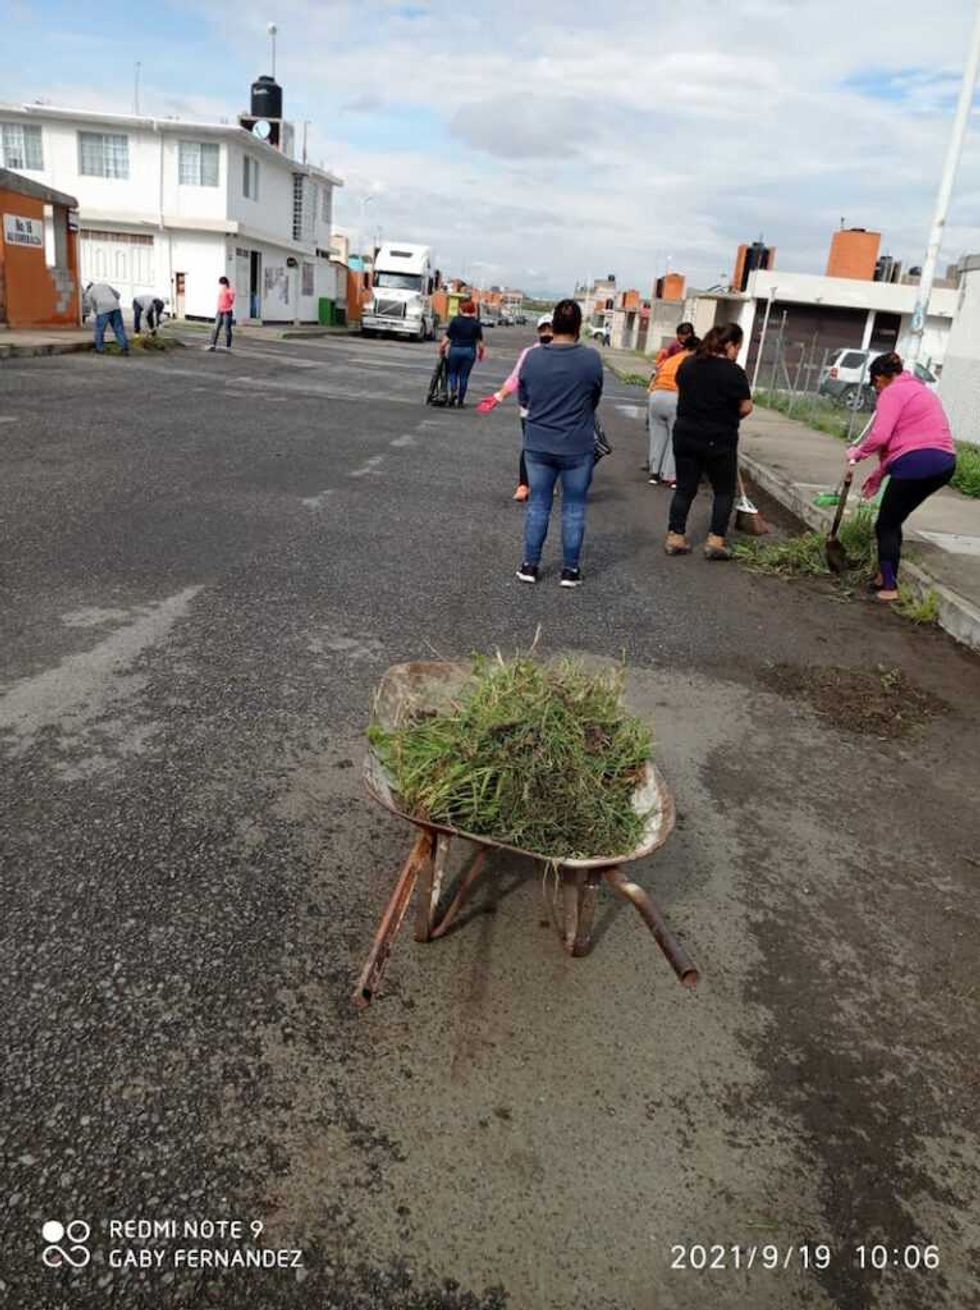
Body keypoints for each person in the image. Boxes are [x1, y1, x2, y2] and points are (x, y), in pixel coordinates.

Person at [847, 351, 957, 602]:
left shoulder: (892, 393)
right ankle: (884, 576)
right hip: (944, 462)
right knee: (893, 520)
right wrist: (878, 475)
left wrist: (858, 452)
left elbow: (880, 437)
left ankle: (889, 587)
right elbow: (899, 445)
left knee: (885, 524)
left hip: (918, 463)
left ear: (879, 378)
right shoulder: (918, 389)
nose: (876, 390)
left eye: (875, 384)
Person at [515, 298, 603, 587]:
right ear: (578, 326)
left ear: (553, 324)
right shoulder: (590, 359)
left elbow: (524, 399)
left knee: (538, 504)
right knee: (574, 507)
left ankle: (530, 566)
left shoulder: (534, 357)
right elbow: (594, 398)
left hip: (538, 442)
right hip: (577, 444)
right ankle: (570, 571)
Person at [665, 323, 752, 559]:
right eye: (738, 347)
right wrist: (729, 414)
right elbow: (746, 407)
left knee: (685, 488)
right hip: (719, 438)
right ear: (729, 345)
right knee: (724, 491)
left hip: (685, 434)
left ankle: (675, 537)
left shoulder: (688, 364)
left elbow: (684, 391)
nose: (737, 353)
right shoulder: (734, 372)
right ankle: (715, 541)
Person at [481, 313, 554, 500]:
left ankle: (534, 484)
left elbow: (516, 378)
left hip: (541, 409)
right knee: (538, 446)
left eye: (549, 328)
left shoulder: (536, 353)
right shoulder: (532, 353)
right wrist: (498, 396)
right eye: (543, 328)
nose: (546, 332)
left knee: (538, 447)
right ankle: (527, 485)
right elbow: (516, 378)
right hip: (541, 410)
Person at [647, 333, 699, 488]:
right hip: (674, 397)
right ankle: (669, 476)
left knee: (657, 436)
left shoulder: (670, 359)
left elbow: (654, 376)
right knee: (675, 437)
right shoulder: (692, 362)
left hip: (656, 396)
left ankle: (654, 473)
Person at [439, 299, 484, 406]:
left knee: (452, 372)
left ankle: (453, 390)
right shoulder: (476, 324)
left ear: (461, 309)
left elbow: (447, 338)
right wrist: (481, 353)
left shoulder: (455, 321)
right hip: (469, 351)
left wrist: (442, 348)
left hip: (455, 349)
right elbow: (480, 343)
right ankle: (460, 401)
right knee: (464, 376)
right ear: (472, 309)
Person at [83, 282, 129, 355]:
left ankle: (100, 348)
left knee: (99, 330)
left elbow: (91, 305)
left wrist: (97, 313)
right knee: (119, 328)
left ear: (88, 288)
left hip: (102, 309)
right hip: (115, 307)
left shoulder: (89, 293)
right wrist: (113, 301)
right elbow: (118, 295)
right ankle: (124, 348)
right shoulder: (105, 285)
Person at [207, 276, 235, 352]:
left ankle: (228, 346)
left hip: (227, 312)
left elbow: (232, 300)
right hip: (220, 311)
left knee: (227, 329)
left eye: (222, 284)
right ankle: (212, 344)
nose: (221, 286)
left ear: (225, 283)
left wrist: (228, 294)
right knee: (216, 328)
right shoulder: (221, 290)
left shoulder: (230, 290)